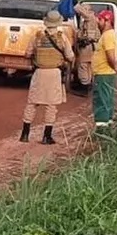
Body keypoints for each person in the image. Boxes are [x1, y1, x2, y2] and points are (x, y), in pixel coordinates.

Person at [20, 9, 75, 145]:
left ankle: (25, 134)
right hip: (54, 73)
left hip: (39, 72)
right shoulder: (62, 37)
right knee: (51, 105)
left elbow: (27, 53)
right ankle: (46, 136)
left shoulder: (37, 36)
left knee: (32, 103)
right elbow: (70, 56)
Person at [91, 9, 117, 129]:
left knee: (101, 101)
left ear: (107, 21)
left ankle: (101, 129)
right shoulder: (108, 35)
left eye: (100, 19)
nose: (98, 22)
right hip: (105, 73)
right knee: (106, 100)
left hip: (104, 73)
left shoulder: (108, 35)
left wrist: (115, 67)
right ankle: (106, 125)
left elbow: (110, 55)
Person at [73, 2, 99, 98]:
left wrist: (76, 5)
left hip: (87, 46)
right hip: (91, 46)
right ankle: (88, 85)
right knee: (88, 67)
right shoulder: (90, 21)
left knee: (83, 66)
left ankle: (84, 87)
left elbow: (83, 12)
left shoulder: (90, 18)